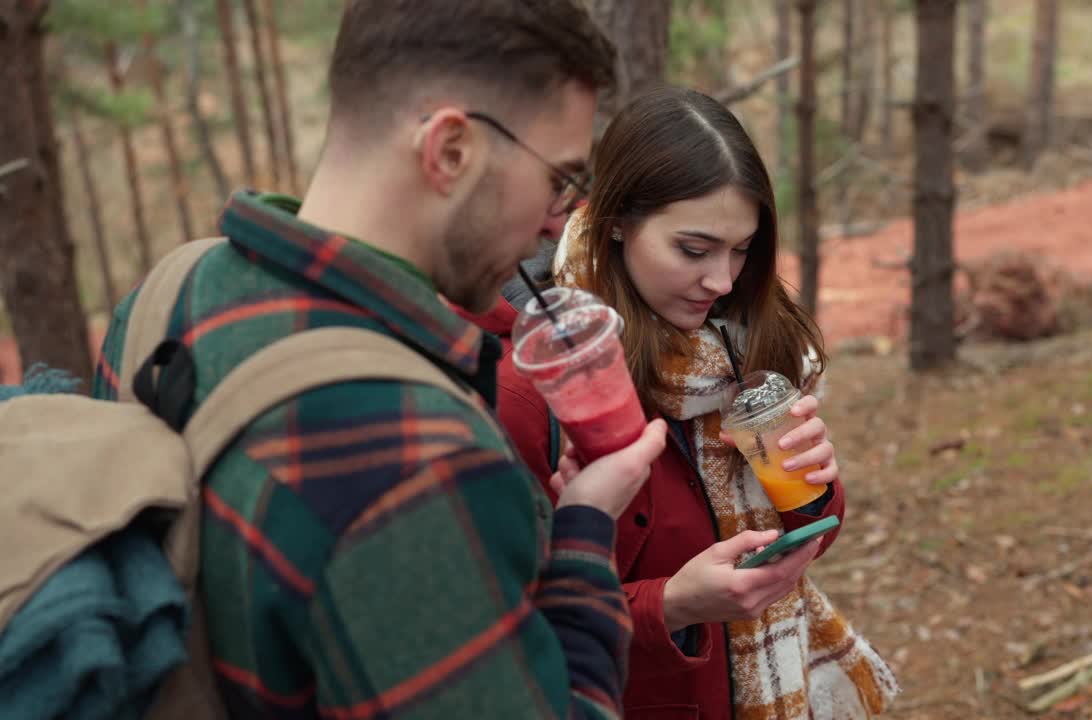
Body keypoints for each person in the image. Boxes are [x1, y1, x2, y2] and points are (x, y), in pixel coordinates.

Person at [90, 2, 669, 718]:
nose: (559, 219)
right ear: (450, 149)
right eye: (559, 179)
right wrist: (584, 532)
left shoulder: (169, 293)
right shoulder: (417, 451)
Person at [489, 87, 898, 719]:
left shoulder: (744, 337)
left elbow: (809, 533)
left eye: (742, 249)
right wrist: (671, 604)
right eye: (694, 249)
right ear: (616, 221)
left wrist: (815, 487)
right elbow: (513, 625)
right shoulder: (540, 379)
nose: (723, 280)